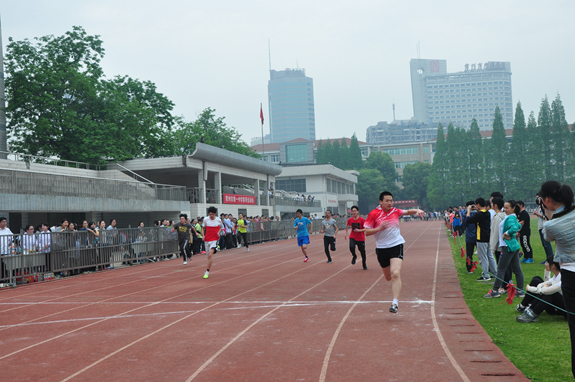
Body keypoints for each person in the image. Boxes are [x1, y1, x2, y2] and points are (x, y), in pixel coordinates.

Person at [356, 191, 424, 314]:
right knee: (388, 277)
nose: (389, 203)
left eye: (391, 200)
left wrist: (417, 211)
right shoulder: (373, 214)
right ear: (380, 202)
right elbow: (366, 232)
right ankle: (394, 298)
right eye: (387, 201)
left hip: (396, 245)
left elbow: (408, 212)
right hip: (382, 249)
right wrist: (379, 228)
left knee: (396, 273)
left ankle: (395, 303)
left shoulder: (395, 211)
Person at [539, 180, 575, 378]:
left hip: (571, 274)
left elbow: (548, 237)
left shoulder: (551, 224)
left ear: (547, 200)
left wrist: (549, 215)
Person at [484, 200, 525, 298]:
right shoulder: (512, 217)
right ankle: (520, 290)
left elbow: (514, 228)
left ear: (513, 208)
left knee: (501, 269)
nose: (505, 209)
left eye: (507, 208)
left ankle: (495, 290)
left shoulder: (510, 217)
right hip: (513, 246)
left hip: (508, 247)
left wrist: (506, 234)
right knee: (516, 269)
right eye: (504, 208)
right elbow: (518, 226)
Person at [516, 254, 565, 323]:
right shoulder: (556, 276)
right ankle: (529, 311)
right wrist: (541, 287)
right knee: (537, 280)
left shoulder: (563, 279)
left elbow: (547, 291)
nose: (545, 264)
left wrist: (530, 288)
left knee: (550, 293)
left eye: (547, 262)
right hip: (555, 304)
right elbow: (543, 284)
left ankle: (530, 313)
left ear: (553, 266)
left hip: (565, 310)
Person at [465, 198, 497, 282]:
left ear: (478, 204)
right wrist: (477, 209)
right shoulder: (487, 213)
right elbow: (480, 216)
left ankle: (486, 275)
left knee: (483, 257)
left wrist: (468, 211)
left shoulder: (479, 215)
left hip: (481, 238)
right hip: (488, 237)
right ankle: (495, 273)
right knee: (490, 256)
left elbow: (468, 220)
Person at [489, 197, 510, 293]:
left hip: (499, 246)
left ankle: (505, 286)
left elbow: (495, 233)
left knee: (501, 267)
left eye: (492, 203)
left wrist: (492, 247)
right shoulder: (503, 216)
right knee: (504, 266)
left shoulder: (498, 217)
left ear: (495, 205)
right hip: (503, 244)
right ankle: (506, 284)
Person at [202, 207, 224, 279]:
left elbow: (221, 227)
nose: (211, 215)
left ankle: (207, 271)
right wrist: (203, 235)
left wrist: (218, 232)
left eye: (213, 214)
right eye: (210, 214)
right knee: (208, 256)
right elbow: (203, 228)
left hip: (214, 239)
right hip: (207, 239)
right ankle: (215, 249)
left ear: (215, 214)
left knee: (210, 254)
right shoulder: (205, 219)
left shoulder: (218, 220)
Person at [533, 193, 554, 264]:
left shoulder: (545, 207)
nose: (537, 200)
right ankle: (548, 258)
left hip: (544, 227)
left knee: (546, 244)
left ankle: (550, 259)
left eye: (538, 198)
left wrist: (537, 214)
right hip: (540, 227)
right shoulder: (540, 207)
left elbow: (547, 217)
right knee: (544, 244)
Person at [345, 205, 367, 270]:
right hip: (353, 236)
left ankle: (364, 264)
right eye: (352, 211)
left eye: (355, 211)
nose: (354, 212)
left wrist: (359, 230)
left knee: (362, 252)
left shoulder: (362, 220)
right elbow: (347, 224)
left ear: (358, 211)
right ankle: (354, 256)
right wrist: (346, 233)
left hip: (360, 238)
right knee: (351, 247)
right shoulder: (350, 219)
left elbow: (366, 228)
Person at [462, 201, 478, 274]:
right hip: (470, 237)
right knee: (469, 254)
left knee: (482, 254)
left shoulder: (478, 213)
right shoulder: (466, 214)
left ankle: (487, 269)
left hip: (477, 236)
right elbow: (464, 224)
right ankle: (469, 268)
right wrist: (468, 211)